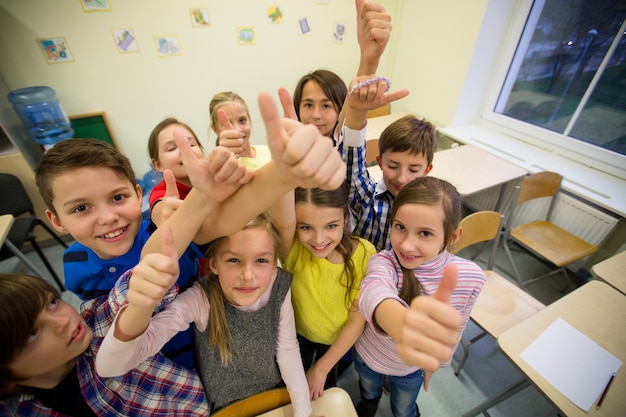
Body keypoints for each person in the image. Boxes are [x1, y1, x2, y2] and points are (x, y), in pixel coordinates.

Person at [34, 137, 206, 370]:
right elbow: (105, 322)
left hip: (207, 354)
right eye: (81, 208)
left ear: (137, 195)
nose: (107, 218)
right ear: (57, 220)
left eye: (117, 198)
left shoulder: (167, 234)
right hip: (143, 373)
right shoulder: (74, 264)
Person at [353, 176, 486, 417]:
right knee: (368, 392)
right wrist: (402, 324)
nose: (406, 245)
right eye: (400, 227)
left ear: (453, 236)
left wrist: (436, 362)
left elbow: (456, 326)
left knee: (404, 409)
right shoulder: (384, 261)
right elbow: (374, 290)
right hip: (368, 356)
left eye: (425, 233)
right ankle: (369, 404)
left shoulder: (470, 277)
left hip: (411, 369)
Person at [0, 272, 210, 417]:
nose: (63, 321)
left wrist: (147, 278)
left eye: (52, 303)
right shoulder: (23, 411)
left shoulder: (99, 322)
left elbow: (130, 294)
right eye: (30, 333)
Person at [280, 183, 376, 400]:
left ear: (345, 218)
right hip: (296, 338)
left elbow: (356, 321)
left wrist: (322, 369)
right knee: (293, 387)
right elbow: (280, 214)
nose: (319, 239)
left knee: (326, 384)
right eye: (306, 227)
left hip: (338, 341)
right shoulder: (292, 247)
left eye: (331, 226)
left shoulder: (365, 254)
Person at [340, 73, 433, 251]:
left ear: (427, 169)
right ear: (380, 162)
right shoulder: (367, 197)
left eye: (413, 169)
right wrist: (357, 113)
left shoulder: (432, 210)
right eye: (393, 166)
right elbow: (352, 162)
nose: (401, 178)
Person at [147, 117, 206, 226]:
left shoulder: (214, 177)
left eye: (191, 144)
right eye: (171, 148)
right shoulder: (161, 193)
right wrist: (161, 214)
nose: (185, 150)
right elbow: (160, 211)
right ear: (158, 165)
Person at [210, 91, 271, 171]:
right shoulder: (223, 168)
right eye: (227, 124)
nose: (237, 129)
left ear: (249, 120)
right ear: (215, 130)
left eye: (242, 120)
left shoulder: (267, 151)